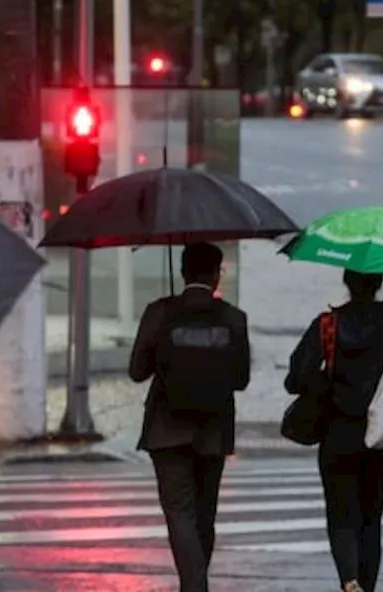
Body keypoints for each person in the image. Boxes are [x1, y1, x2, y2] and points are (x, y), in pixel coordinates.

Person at [285, 270, 383, 592]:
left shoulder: (328, 325)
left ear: (347, 283)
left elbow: (296, 377)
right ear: (379, 283)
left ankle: (349, 580)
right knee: (370, 517)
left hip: (338, 433)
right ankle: (366, 585)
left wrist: (327, 385)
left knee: (340, 513)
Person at [128, 242, 251, 592]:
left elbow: (137, 371)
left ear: (183, 273)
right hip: (213, 430)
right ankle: (195, 585)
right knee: (203, 514)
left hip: (166, 431)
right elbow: (241, 380)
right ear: (215, 275)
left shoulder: (159, 312)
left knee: (180, 513)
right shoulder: (233, 317)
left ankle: (194, 587)